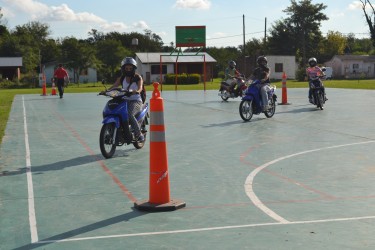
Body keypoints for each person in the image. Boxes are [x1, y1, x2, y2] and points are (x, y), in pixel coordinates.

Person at [107, 57, 144, 142]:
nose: (128, 70)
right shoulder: (122, 77)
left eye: (130, 68)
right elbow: (114, 86)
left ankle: (139, 134)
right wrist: (106, 91)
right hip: (124, 100)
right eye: (126, 68)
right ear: (123, 68)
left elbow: (140, 87)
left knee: (130, 114)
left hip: (136, 100)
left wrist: (137, 91)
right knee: (114, 111)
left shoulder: (138, 77)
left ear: (134, 68)